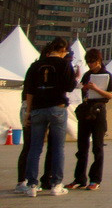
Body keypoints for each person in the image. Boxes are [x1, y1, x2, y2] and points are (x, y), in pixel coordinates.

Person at [22, 37, 78, 197]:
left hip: (37, 108)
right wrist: (75, 77)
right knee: (58, 147)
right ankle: (56, 184)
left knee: (35, 148)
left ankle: (31, 185)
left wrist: (28, 112)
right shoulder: (64, 64)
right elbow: (70, 86)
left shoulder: (35, 65)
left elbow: (29, 90)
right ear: (63, 50)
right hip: (57, 107)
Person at [66, 48, 112, 191]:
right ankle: (79, 178)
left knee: (97, 147)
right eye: (88, 62)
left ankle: (95, 179)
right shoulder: (87, 74)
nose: (90, 65)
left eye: (92, 62)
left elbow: (111, 95)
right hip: (86, 109)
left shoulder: (107, 75)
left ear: (99, 61)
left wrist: (96, 89)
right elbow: (82, 90)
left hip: (99, 110)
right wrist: (85, 88)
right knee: (82, 147)